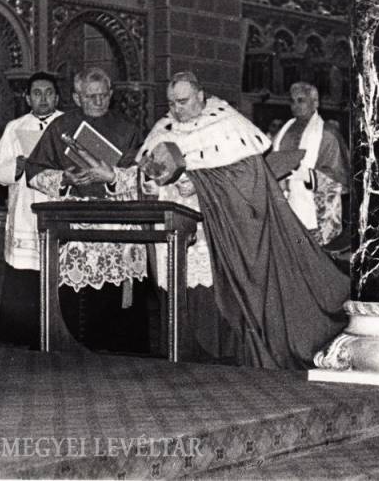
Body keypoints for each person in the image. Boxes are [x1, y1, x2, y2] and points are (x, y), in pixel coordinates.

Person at [137, 71, 350, 369]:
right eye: (171, 102)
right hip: (178, 233)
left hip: (223, 235)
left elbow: (249, 176)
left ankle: (226, 360)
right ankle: (180, 356)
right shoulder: (164, 127)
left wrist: (198, 183)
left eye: (183, 101)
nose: (176, 109)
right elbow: (147, 170)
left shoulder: (228, 124)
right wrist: (153, 183)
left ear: (200, 96)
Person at [25, 67, 145, 351]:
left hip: (118, 221)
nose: (99, 102)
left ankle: (122, 355)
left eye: (104, 95)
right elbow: (34, 171)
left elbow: (143, 175)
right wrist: (65, 179)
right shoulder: (60, 128)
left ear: (112, 95)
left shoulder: (127, 129)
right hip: (76, 223)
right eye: (91, 97)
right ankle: (77, 352)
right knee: (80, 302)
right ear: (77, 97)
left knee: (119, 307)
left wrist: (113, 177)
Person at [0, 72, 63, 349]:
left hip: (59, 209)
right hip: (25, 211)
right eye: (37, 93)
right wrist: (16, 166)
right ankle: (20, 342)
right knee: (25, 277)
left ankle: (57, 340)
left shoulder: (68, 124)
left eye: (48, 92)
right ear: (28, 97)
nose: (43, 98)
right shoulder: (15, 127)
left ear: (57, 96)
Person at [272, 82, 347, 247]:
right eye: (292, 101)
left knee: (306, 253)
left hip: (312, 214)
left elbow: (338, 177)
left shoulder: (327, 134)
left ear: (315, 103)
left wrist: (308, 176)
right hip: (285, 206)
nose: (295, 106)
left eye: (301, 100)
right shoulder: (284, 131)